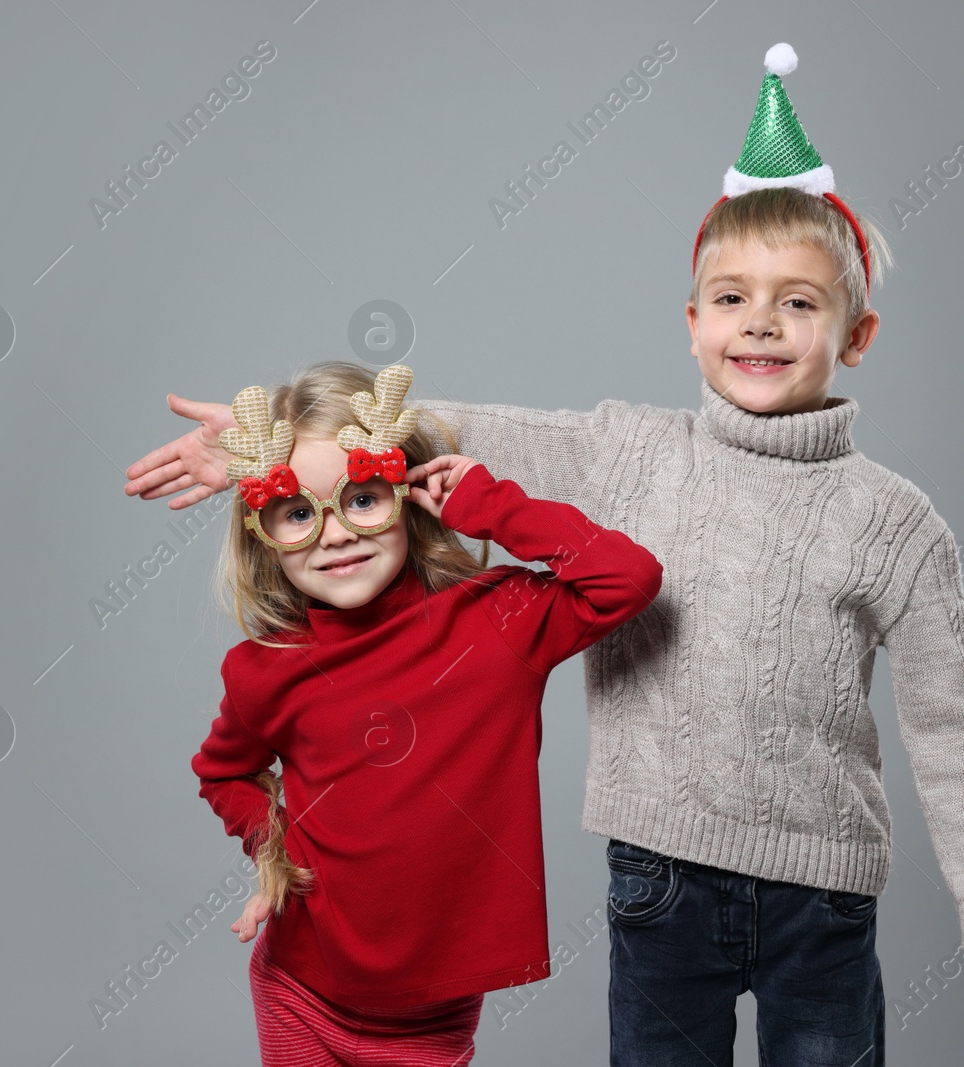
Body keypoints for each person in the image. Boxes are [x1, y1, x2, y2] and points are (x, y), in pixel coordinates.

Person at [141, 44, 964, 1066]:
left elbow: (954, 727)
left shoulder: (895, 520)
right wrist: (299, 448)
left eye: (798, 301)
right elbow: (466, 429)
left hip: (821, 887)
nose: (762, 322)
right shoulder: (632, 450)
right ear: (693, 325)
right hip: (657, 875)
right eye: (732, 297)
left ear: (857, 332)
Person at [189, 362, 662, 1066]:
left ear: (405, 494)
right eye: (298, 513)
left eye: (362, 498)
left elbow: (627, 577)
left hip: (428, 1022)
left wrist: (490, 504)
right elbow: (222, 772)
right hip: (299, 985)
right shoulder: (265, 668)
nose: (336, 533)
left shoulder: (498, 622)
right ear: (264, 534)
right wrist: (275, 847)